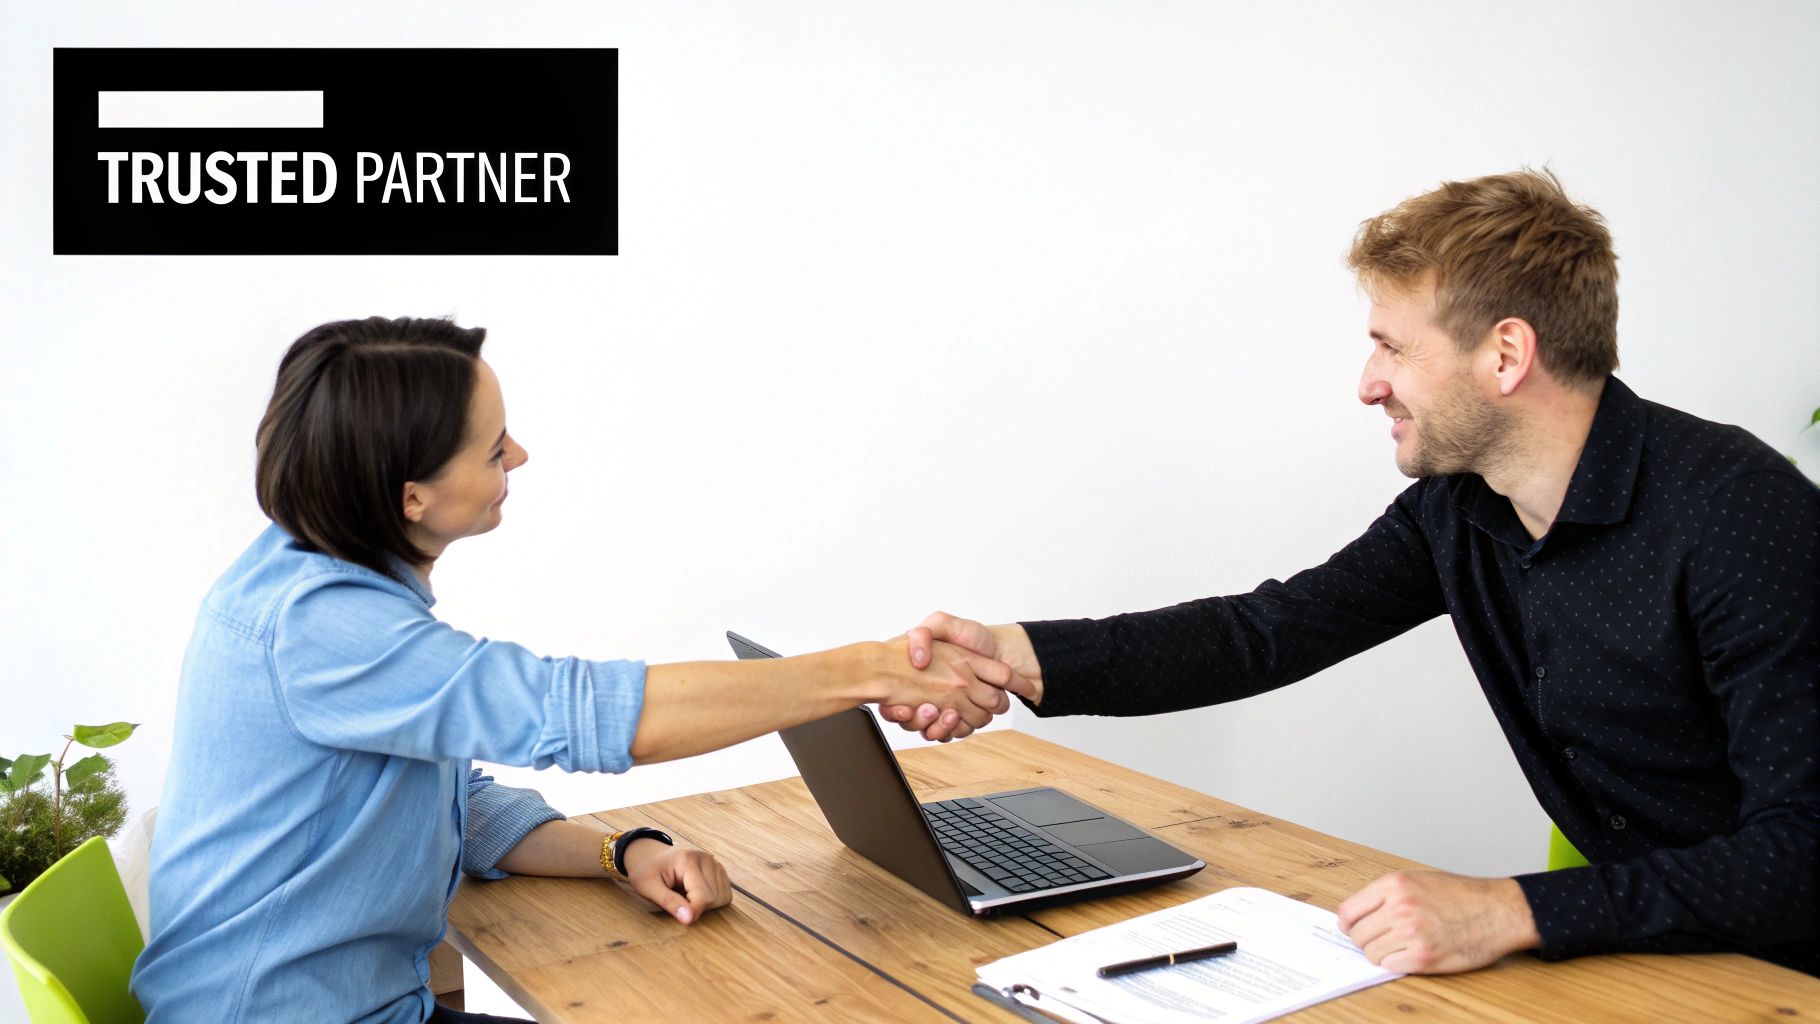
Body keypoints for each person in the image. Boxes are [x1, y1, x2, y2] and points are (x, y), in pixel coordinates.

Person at [886, 169, 1820, 977]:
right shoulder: (1465, 507)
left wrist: (1512, 909)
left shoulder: (1741, 517)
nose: (1368, 384)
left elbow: (1805, 851)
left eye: (1393, 346)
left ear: (1505, 354)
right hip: (1653, 957)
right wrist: (1012, 655)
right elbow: (1267, 632)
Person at [131, 317, 1026, 1024]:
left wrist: (621, 851)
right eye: (493, 448)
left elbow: (458, 801)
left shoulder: (315, 581)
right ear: (411, 497)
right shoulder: (318, 626)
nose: (518, 457)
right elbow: (587, 713)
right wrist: (874, 670)